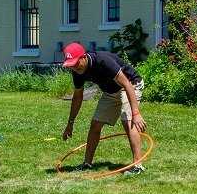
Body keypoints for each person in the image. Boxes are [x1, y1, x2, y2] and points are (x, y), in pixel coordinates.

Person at [60, 43, 147, 174]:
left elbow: (127, 84)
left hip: (131, 85)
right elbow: (77, 97)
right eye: (71, 65)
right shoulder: (77, 71)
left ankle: (138, 165)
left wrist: (136, 113)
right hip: (110, 92)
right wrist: (70, 123)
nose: (75, 67)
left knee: (127, 121)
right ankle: (87, 164)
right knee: (95, 124)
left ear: (83, 57)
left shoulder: (103, 61)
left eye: (76, 63)